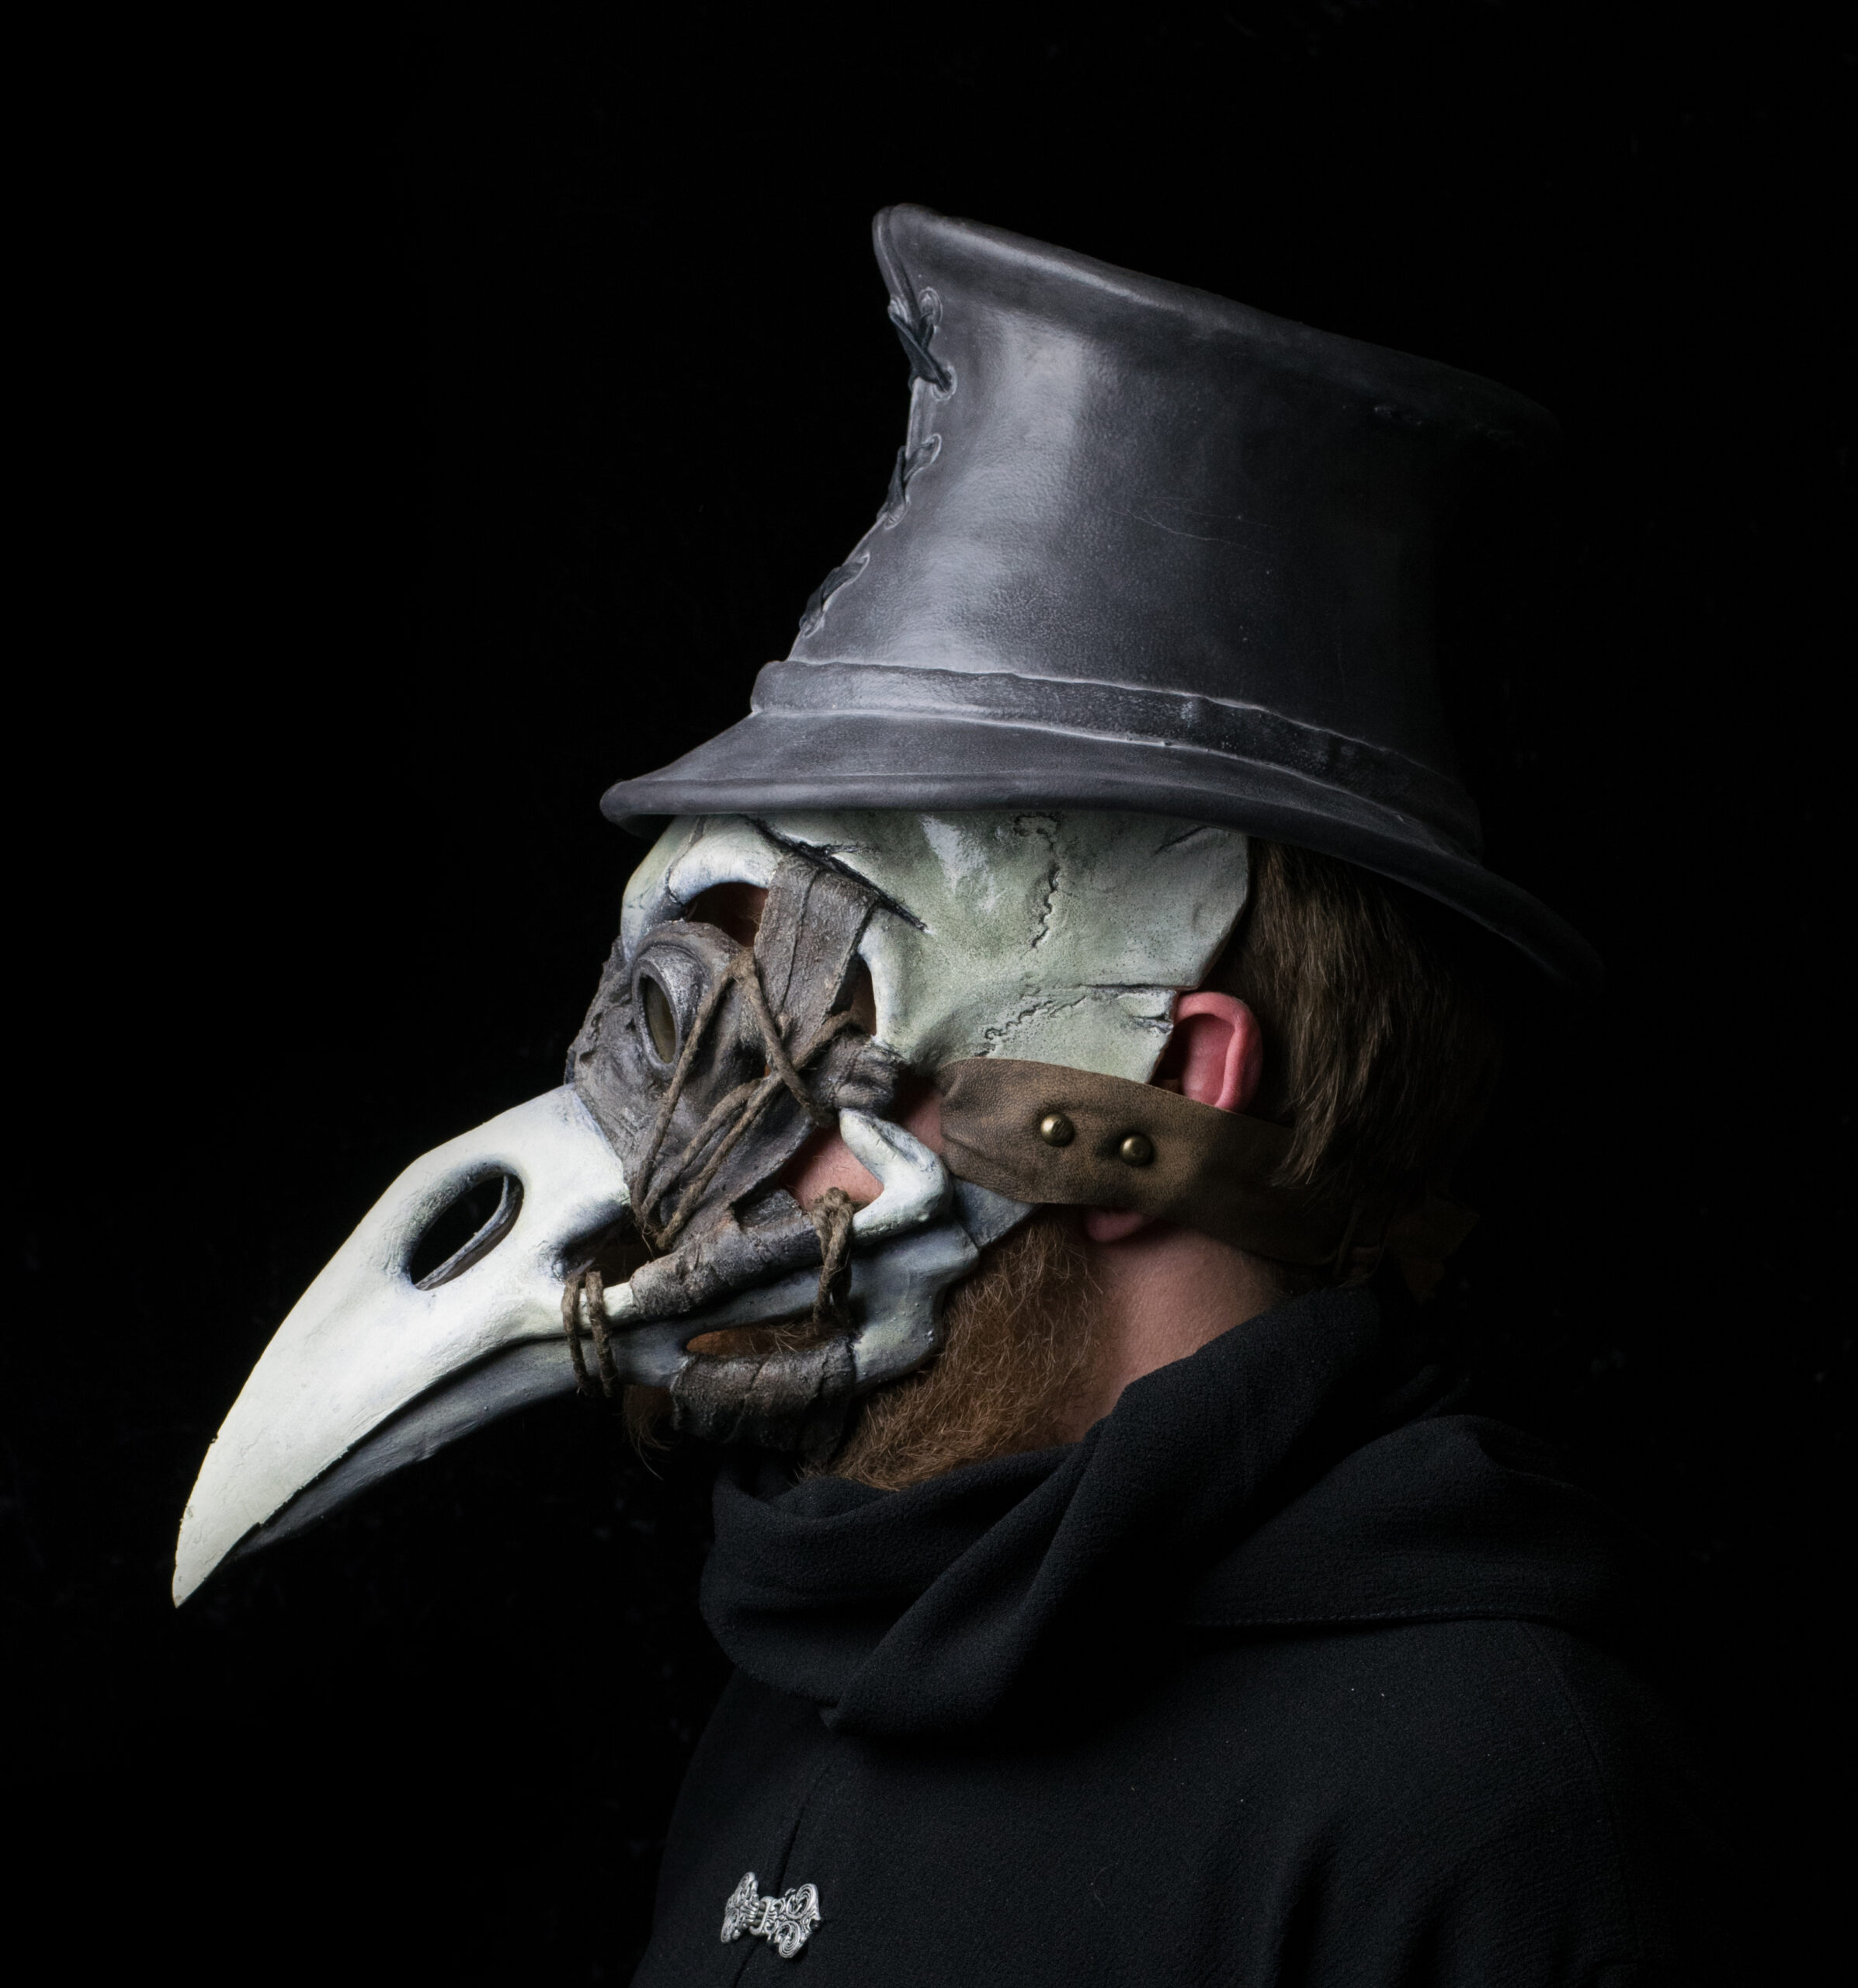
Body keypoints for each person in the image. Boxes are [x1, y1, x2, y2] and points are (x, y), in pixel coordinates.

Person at [175, 207, 1733, 1983]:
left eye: (802, 1031)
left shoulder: (1488, 1804)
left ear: (1153, 1088)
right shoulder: (812, 1675)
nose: (676, 1162)